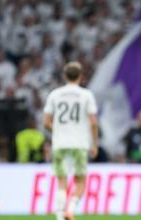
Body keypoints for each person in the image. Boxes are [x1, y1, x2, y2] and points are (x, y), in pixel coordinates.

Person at [43, 61, 98, 220]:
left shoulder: (55, 94)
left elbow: (46, 122)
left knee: (61, 181)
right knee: (80, 181)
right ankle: (71, 209)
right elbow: (93, 122)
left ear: (64, 76)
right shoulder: (86, 95)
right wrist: (94, 144)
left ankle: (60, 217)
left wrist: (58, 131)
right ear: (80, 76)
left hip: (59, 143)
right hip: (79, 144)